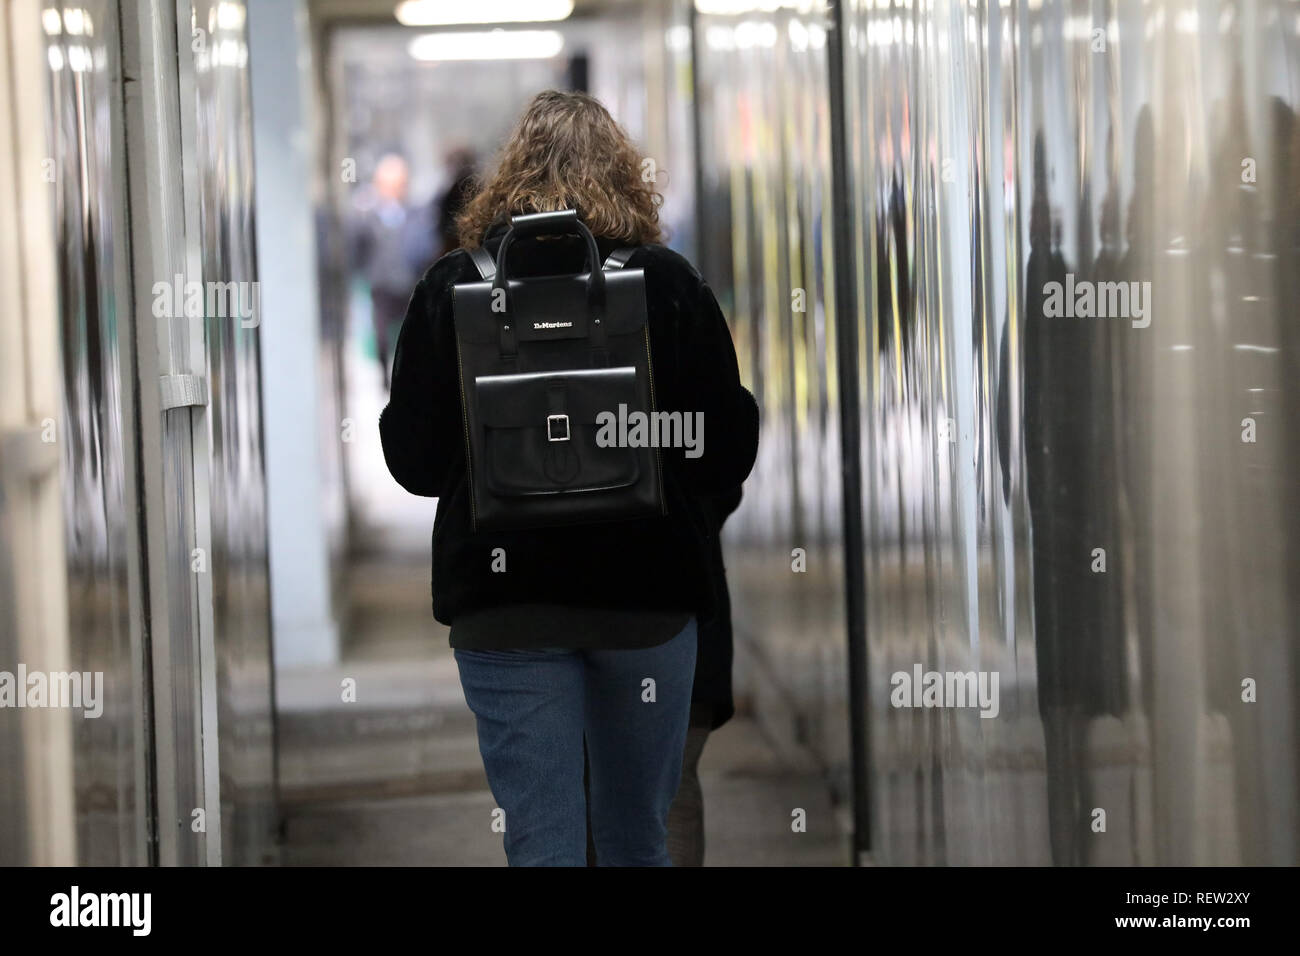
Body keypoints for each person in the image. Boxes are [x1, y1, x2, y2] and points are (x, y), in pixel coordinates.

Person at [378, 90, 759, 866]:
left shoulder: (451, 288)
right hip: (645, 605)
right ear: (626, 176)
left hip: (504, 608)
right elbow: (725, 452)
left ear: (506, 177)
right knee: (635, 839)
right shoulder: (669, 284)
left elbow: (413, 464)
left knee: (541, 843)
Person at [350, 153, 422, 390]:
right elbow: (357, 249)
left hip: (409, 283)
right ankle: (385, 377)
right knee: (380, 333)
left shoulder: (415, 213)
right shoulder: (367, 216)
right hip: (381, 284)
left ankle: (407, 375)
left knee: (411, 332)